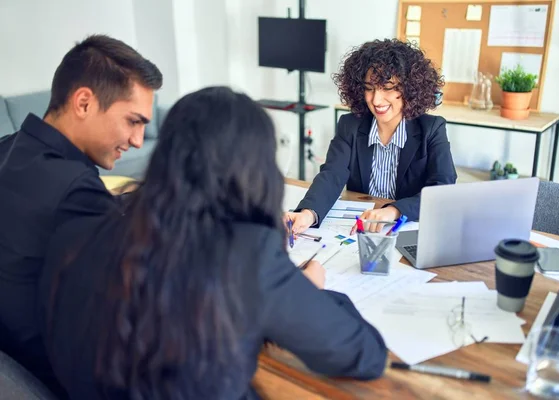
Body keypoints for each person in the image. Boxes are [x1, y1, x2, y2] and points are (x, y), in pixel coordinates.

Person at [39, 87, 388, 399]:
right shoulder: (250, 256)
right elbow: (364, 355)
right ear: (256, 169)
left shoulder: (96, 223)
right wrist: (309, 291)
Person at [0, 34, 162, 395]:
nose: (138, 140)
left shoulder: (10, 149)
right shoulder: (76, 191)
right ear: (84, 102)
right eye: (132, 121)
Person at [287, 38, 457, 234]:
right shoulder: (350, 125)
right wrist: (307, 214)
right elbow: (332, 175)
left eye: (387, 87)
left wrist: (394, 210)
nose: (376, 99)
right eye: (369, 88)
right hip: (360, 229)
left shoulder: (432, 129)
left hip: (406, 229)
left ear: (409, 88)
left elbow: (442, 188)